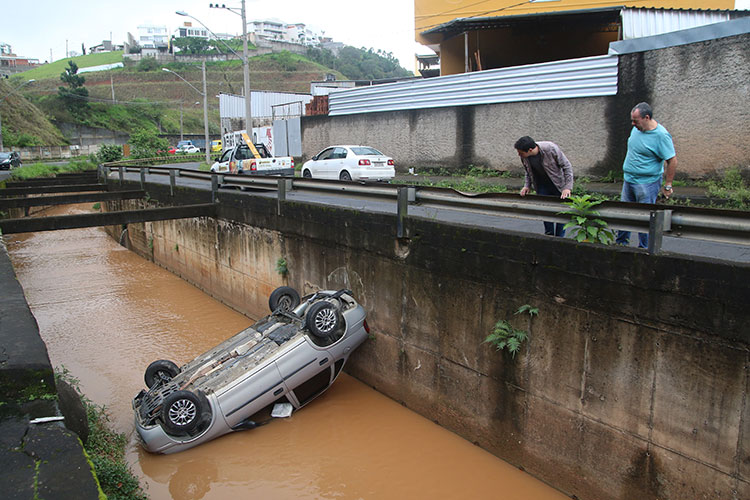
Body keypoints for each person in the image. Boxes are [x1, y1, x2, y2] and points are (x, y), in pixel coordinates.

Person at [616, 102, 677, 248]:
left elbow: (672, 160)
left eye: (635, 121)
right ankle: (621, 245)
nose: (632, 124)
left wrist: (668, 185)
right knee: (624, 215)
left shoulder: (661, 136)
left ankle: (644, 249)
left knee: (645, 218)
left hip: (646, 183)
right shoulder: (637, 129)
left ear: (647, 118)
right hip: (629, 180)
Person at [514, 136, 574, 237]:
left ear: (530, 150)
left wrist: (567, 187)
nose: (519, 154)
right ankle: (549, 235)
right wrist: (527, 186)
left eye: (521, 152)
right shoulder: (524, 157)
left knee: (561, 211)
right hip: (541, 184)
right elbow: (528, 171)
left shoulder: (550, 148)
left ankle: (560, 238)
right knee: (545, 210)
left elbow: (567, 166)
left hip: (558, 184)